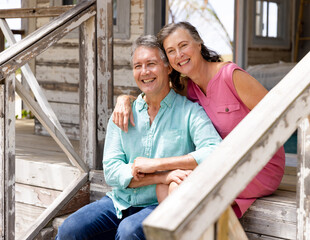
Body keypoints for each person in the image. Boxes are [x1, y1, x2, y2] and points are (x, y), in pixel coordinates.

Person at [56, 35, 221, 240]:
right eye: (138, 66)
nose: (144, 72)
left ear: (168, 68)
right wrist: (162, 176)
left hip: (159, 203)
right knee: (70, 228)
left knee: (129, 231)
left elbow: (215, 150)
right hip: (119, 201)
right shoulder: (123, 112)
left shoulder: (189, 112)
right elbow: (112, 171)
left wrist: (156, 164)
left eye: (151, 64)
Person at [113, 22, 286, 218]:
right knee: (166, 187)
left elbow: (278, 114)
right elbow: (154, 94)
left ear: (199, 43)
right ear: (168, 61)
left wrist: (155, 164)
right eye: (171, 51)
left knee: (179, 188)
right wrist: (124, 99)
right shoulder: (187, 87)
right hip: (219, 164)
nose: (179, 55)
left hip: (258, 164)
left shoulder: (231, 76)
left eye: (183, 45)